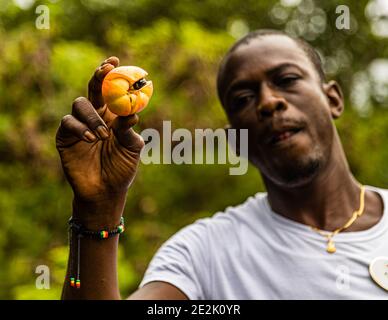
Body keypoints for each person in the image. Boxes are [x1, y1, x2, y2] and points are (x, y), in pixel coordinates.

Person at [56, 29, 388, 299]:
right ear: (235, 141)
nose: (269, 102)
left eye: (286, 80)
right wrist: (98, 209)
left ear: (333, 99)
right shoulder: (203, 256)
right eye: (243, 99)